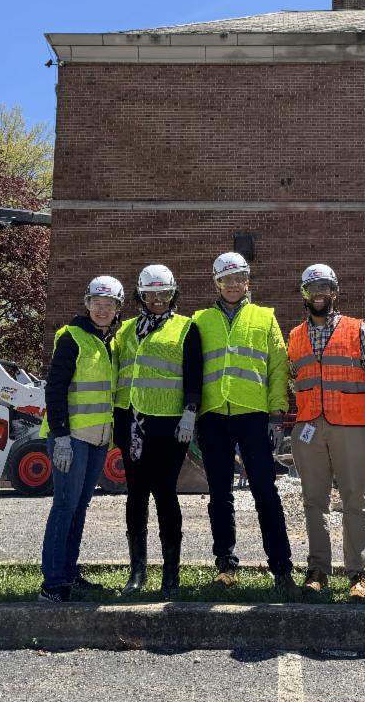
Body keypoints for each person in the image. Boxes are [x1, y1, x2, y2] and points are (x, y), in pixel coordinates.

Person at [193, 251, 298, 595]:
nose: (233, 285)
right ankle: (225, 562)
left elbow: (278, 367)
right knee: (219, 495)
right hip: (213, 417)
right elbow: (192, 369)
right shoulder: (200, 320)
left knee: (265, 492)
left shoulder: (265, 317)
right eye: (227, 279)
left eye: (239, 278)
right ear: (216, 282)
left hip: (254, 417)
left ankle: (281, 566)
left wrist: (276, 414)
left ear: (248, 281)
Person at [287, 264, 365, 599]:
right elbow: (291, 378)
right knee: (314, 502)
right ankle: (318, 570)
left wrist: (356, 409)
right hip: (309, 426)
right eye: (313, 288)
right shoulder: (295, 336)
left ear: (335, 292)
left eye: (325, 287)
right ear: (305, 294)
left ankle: (359, 573)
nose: (319, 293)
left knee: (355, 500)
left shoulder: (357, 330)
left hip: (350, 428)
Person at [113, 264, 203, 597]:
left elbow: (194, 374)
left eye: (164, 293)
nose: (157, 299)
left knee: (165, 492)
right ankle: (137, 572)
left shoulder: (185, 328)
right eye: (151, 293)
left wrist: (190, 414)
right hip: (131, 424)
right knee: (135, 494)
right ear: (140, 295)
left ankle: (170, 573)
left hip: (170, 425)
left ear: (173, 294)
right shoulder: (125, 331)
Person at [37, 275, 123, 603]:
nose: (102, 309)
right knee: (64, 506)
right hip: (71, 439)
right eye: (97, 304)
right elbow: (55, 388)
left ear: (117, 308)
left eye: (109, 304)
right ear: (87, 305)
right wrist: (59, 436)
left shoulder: (109, 343)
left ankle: (69, 573)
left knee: (79, 507)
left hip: (97, 441)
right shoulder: (72, 337)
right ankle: (53, 583)